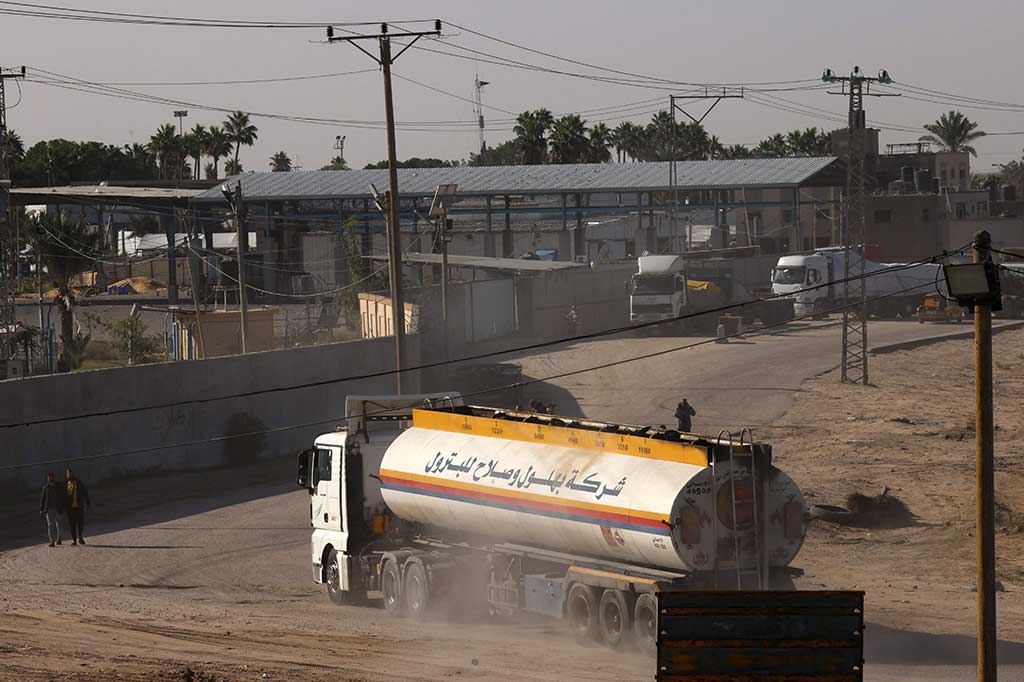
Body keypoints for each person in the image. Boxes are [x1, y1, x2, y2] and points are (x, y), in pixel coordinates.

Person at [64, 469, 90, 546]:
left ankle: (80, 537)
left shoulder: (79, 482)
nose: (69, 475)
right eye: (68, 474)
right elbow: (63, 496)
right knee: (72, 525)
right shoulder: (65, 484)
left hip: (79, 507)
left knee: (80, 523)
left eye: (70, 473)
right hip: (70, 508)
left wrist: (88, 501)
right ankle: (74, 540)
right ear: (67, 475)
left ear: (73, 474)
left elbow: (85, 492)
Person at [39, 472, 65, 547]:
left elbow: (62, 497)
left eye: (51, 477)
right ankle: (52, 541)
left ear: (54, 477)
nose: (50, 478)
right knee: (50, 525)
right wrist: (41, 509)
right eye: (49, 477)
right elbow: (42, 499)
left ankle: (59, 539)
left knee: (59, 524)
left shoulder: (59, 487)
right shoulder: (45, 488)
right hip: (49, 509)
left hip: (58, 508)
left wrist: (63, 507)